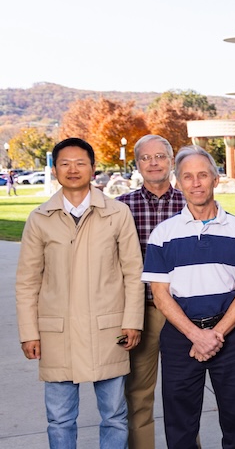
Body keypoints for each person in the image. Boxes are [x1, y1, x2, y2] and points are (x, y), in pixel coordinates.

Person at [15, 137, 144, 448]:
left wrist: (133, 321)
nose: (73, 169)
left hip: (109, 329)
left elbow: (133, 272)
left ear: (93, 167)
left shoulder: (116, 213)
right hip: (56, 333)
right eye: (65, 163)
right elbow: (27, 281)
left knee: (114, 414)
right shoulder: (40, 218)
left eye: (80, 163)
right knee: (59, 418)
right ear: (55, 169)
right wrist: (28, 332)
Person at [142, 146, 235, 448]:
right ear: (179, 183)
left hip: (231, 338)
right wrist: (196, 335)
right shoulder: (163, 234)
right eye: (188, 177)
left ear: (215, 179)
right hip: (180, 337)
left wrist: (215, 335)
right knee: (180, 425)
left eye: (202, 175)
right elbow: (160, 295)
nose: (196, 183)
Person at [117, 134, 186, 449]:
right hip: (141, 312)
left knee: (184, 392)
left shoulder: (192, 203)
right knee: (138, 394)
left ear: (171, 161)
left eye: (160, 156)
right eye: (146, 157)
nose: (154, 162)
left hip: (185, 312)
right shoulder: (120, 208)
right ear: (138, 163)